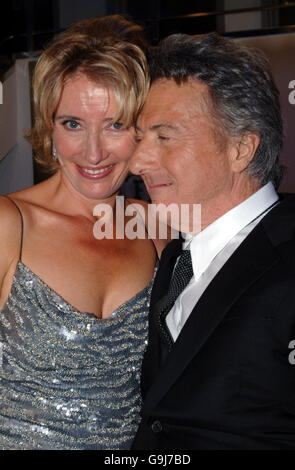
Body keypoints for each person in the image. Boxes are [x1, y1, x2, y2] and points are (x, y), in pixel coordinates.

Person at [0, 15, 160, 450]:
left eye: (115, 124)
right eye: (72, 124)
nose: (93, 152)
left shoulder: (158, 228)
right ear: (49, 129)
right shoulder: (8, 225)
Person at [130, 32, 295, 450]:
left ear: (241, 149)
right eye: (140, 137)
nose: (137, 162)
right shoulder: (175, 258)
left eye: (165, 137)